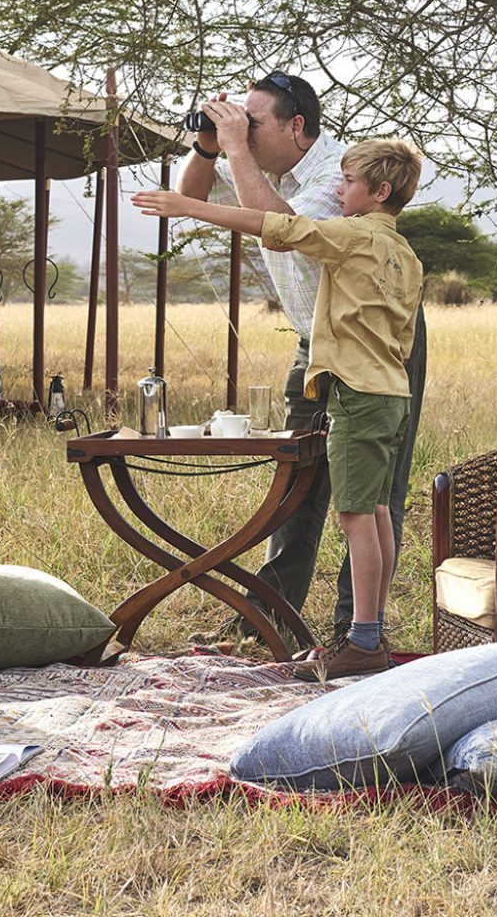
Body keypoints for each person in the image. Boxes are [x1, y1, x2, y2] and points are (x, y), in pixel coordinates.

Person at [134, 138, 425, 679]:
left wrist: (188, 207)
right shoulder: (404, 252)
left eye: (350, 183)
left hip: (359, 396)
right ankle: (372, 629)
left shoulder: (354, 236)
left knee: (356, 515)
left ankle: (362, 640)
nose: (340, 191)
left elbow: (281, 230)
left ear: (379, 192)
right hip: (392, 393)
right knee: (379, 510)